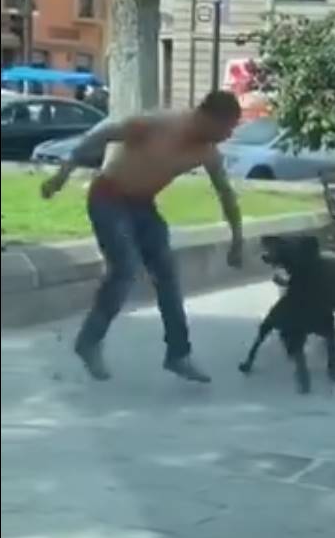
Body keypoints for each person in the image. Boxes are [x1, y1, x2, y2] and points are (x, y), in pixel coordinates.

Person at [40, 91, 245, 383]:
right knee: (126, 268)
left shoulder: (207, 152)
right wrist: (62, 175)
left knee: (168, 275)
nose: (228, 135)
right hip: (108, 197)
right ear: (209, 117)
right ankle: (89, 341)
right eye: (227, 127)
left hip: (142, 205)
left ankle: (178, 354)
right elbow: (101, 134)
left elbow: (226, 195)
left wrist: (237, 240)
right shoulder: (159, 124)